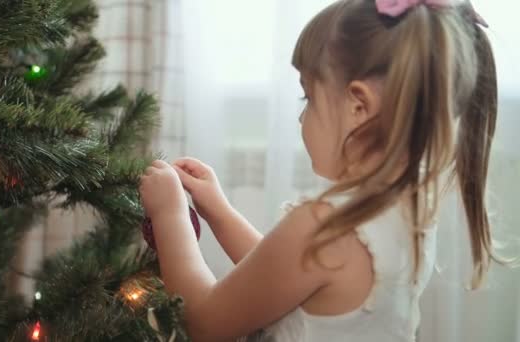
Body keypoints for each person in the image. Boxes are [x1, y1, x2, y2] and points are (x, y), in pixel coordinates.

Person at [139, 0, 498, 340]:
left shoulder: (322, 227)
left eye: (307, 97)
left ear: (359, 106)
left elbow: (203, 322)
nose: (300, 117)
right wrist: (219, 211)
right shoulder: (408, 206)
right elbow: (282, 278)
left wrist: (170, 214)